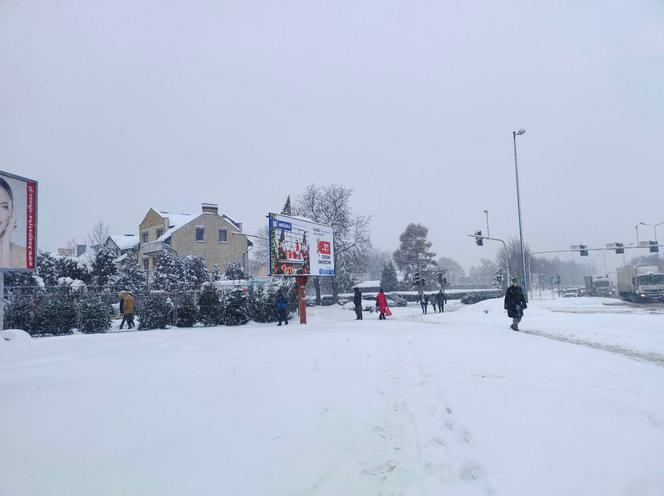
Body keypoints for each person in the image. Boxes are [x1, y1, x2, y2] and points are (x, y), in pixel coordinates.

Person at [0, 177, 26, 268]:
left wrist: (5, 243)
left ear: (11, 212)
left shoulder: (23, 254)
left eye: (4, 207)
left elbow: (6, 270)